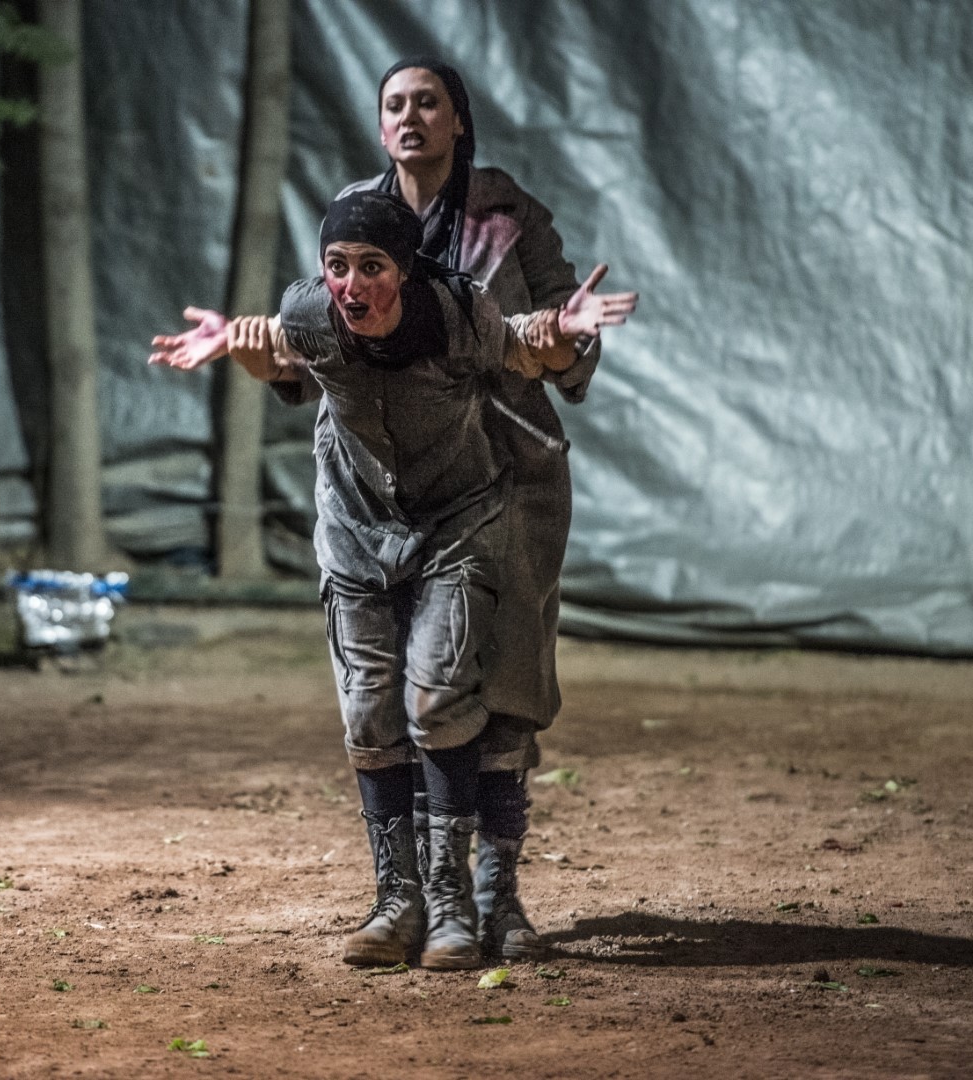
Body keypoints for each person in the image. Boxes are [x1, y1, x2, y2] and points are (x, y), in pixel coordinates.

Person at [149, 190, 635, 969]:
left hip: (457, 525)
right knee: (369, 715)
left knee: (437, 698)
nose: (352, 285)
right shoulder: (310, 311)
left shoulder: (457, 313)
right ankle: (396, 898)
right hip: (355, 531)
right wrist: (238, 346)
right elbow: (279, 353)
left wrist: (557, 334)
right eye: (337, 266)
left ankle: (450, 899)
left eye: (371, 267)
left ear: (405, 272)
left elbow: (522, 349)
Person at [351, 57, 610, 961]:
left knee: (502, 694)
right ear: (380, 125)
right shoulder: (359, 216)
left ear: (459, 120)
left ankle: (497, 897)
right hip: (396, 490)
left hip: (511, 473)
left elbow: (570, 349)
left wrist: (562, 338)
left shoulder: (509, 214)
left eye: (429, 102)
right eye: (395, 104)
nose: (411, 116)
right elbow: (325, 338)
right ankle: (417, 899)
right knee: (398, 696)